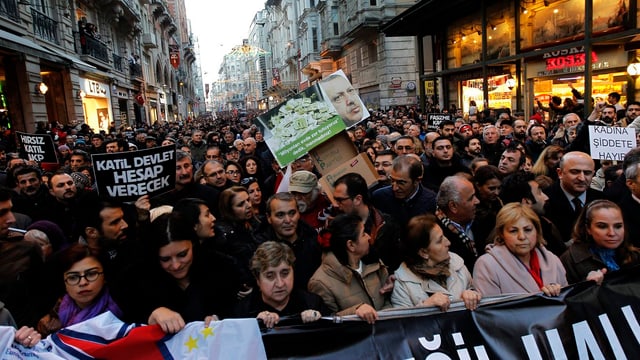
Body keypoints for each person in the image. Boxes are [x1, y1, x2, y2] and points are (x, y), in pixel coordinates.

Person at [144, 213, 235, 333]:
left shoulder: (222, 268)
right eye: (165, 259)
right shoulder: (144, 281)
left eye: (182, 255)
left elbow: (237, 309)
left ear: (193, 244)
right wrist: (153, 314)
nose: (176, 265)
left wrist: (220, 318)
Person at [308, 214, 391, 323]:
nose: (369, 237)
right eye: (363, 234)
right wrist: (355, 311)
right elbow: (326, 322)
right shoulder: (320, 282)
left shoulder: (373, 261)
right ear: (351, 245)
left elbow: (387, 301)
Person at [473, 203, 567, 297]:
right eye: (513, 231)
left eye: (528, 230)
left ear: (537, 231)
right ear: (501, 234)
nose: (522, 236)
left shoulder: (553, 260)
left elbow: (568, 303)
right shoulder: (487, 265)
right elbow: (491, 310)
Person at [391, 214, 481, 311]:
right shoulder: (403, 284)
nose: (448, 242)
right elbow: (402, 324)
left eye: (444, 236)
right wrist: (425, 307)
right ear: (424, 252)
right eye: (439, 240)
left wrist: (471, 294)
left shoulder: (457, 263)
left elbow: (473, 290)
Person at [232, 241, 327, 328]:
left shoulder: (312, 303)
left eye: (285, 273)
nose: (280, 284)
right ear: (258, 280)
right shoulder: (242, 313)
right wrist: (255, 324)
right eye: (270, 276)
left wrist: (318, 321)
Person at [37, 244, 122, 336]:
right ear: (64, 283)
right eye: (73, 277)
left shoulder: (119, 315)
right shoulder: (56, 313)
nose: (83, 282)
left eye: (91, 274)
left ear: (105, 277)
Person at [560, 200, 640, 285]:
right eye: (602, 226)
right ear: (588, 228)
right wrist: (587, 285)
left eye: (618, 226)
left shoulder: (634, 255)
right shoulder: (570, 260)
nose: (612, 233)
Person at [544, 151, 603, 243]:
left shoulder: (602, 200)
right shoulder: (545, 200)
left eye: (587, 173)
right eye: (575, 172)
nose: (582, 178)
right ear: (560, 173)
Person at [215, 186, 261, 297]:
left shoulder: (257, 223)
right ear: (229, 210)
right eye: (240, 204)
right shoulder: (223, 235)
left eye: (248, 200)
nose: (248, 206)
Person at [372, 155, 437, 226]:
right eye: (392, 180)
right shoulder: (380, 197)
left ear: (417, 181)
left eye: (401, 183)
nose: (395, 188)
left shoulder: (432, 201)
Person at [434, 175, 482, 271]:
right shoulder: (435, 235)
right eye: (471, 198)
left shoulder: (480, 220)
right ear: (453, 206)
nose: (477, 201)